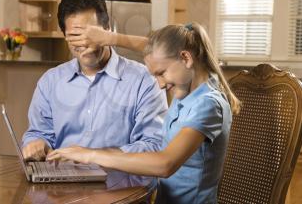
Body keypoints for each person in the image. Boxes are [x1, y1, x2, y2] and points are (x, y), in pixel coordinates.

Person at [46, 22, 241, 203]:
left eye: (161, 73)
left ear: (186, 58)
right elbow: (158, 50)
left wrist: (90, 155)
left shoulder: (208, 104)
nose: (160, 84)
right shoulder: (188, 88)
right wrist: (108, 37)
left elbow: (165, 164)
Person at [21, 0, 168, 161]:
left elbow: (153, 144)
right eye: (75, 36)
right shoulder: (50, 81)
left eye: (90, 35)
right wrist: (36, 143)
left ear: (107, 30)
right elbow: (38, 133)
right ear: (65, 36)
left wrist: (92, 157)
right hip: (62, 181)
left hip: (123, 184)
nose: (85, 44)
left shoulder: (144, 80)